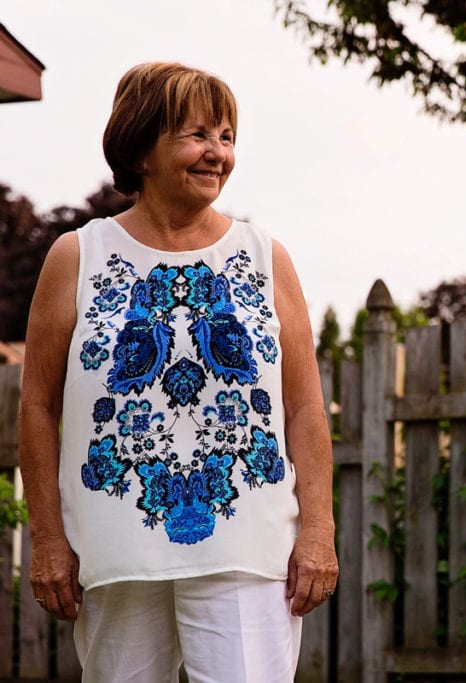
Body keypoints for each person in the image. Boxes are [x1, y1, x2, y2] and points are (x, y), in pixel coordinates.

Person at [18, 62, 338, 681]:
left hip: (248, 552)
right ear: (140, 147)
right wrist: (49, 541)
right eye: (197, 135)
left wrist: (318, 532)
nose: (217, 152)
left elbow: (303, 407)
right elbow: (37, 406)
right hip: (116, 553)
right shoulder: (76, 256)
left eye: (226, 136)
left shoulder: (265, 256)